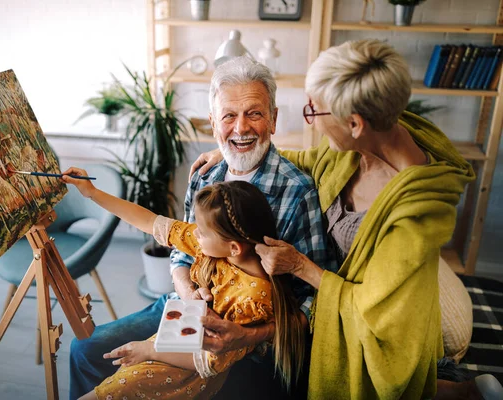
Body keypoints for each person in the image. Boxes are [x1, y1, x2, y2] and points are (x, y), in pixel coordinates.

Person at [190, 39, 503, 399]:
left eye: (316, 112)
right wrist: (234, 142)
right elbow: (309, 158)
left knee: (385, 383)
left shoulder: (414, 217)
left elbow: (373, 307)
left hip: (382, 314)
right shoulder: (359, 146)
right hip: (340, 284)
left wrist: (300, 265)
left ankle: (458, 392)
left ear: (355, 123)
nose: (313, 121)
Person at [69, 56, 336, 399]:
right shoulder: (205, 175)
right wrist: (186, 292)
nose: (241, 128)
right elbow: (180, 249)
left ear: (273, 119)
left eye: (254, 113)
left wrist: (251, 335)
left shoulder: (297, 191)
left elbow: (313, 301)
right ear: (213, 123)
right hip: (185, 309)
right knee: (85, 350)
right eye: (229, 116)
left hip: (249, 340)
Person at [62, 174, 307, 399]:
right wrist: (92, 192)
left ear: (234, 247)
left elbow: (208, 362)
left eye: (201, 232)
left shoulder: (253, 298)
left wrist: (149, 350)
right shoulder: (218, 246)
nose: (195, 235)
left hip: (181, 375)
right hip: (166, 344)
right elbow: (150, 221)